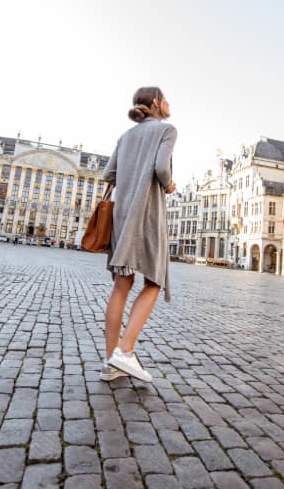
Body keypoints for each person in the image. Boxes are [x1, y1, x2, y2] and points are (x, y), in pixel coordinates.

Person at [99, 86, 177, 382]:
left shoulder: (126, 136)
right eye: (166, 99)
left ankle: (111, 363)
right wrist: (168, 185)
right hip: (147, 213)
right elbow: (160, 168)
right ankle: (125, 350)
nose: (169, 104)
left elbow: (109, 174)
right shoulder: (167, 130)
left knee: (122, 285)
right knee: (154, 280)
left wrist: (130, 176)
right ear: (156, 103)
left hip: (122, 216)